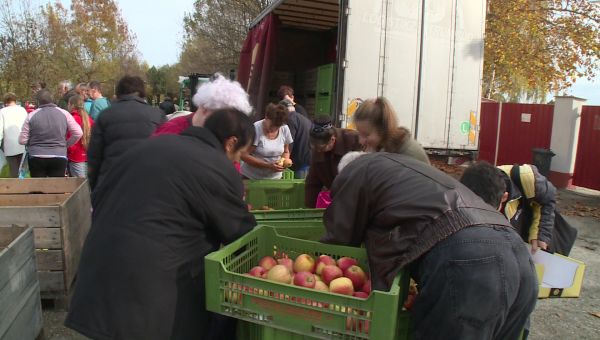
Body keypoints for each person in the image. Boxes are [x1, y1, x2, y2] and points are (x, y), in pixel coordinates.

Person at [65, 109, 257, 340]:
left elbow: (99, 194)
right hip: (150, 294)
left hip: (98, 279)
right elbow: (240, 231)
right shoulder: (216, 166)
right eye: (241, 154)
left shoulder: (147, 146)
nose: (238, 161)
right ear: (230, 143)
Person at [322, 152, 538, 339]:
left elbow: (339, 238)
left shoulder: (355, 172)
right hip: (519, 254)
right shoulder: (402, 168)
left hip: (470, 260)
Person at [460, 161, 575, 256]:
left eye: (490, 212)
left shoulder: (527, 177)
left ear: (504, 197)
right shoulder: (460, 195)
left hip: (526, 235)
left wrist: (541, 234)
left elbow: (548, 198)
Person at [87, 75, 166, 191]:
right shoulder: (158, 115)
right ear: (142, 92)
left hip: (112, 183)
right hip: (148, 183)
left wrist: (96, 189)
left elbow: (94, 157)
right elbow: (166, 152)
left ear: (119, 93)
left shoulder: (105, 116)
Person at [153, 74, 252, 136]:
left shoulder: (224, 137)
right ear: (205, 109)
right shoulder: (171, 131)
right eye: (221, 118)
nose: (225, 125)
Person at [18, 89, 83, 177]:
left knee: (38, 187)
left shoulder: (31, 115)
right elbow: (78, 133)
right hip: (59, 155)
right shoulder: (65, 113)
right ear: (52, 100)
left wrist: (32, 142)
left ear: (38, 102)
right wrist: (66, 144)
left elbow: (22, 140)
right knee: (56, 187)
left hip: (37, 156)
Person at [304, 116, 361, 207]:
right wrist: (309, 210)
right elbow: (312, 183)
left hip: (356, 198)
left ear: (332, 140)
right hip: (335, 199)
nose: (318, 151)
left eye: (321, 148)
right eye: (315, 148)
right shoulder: (317, 151)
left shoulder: (354, 140)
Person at [353, 97, 430, 164]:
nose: (361, 141)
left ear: (382, 130)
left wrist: (371, 158)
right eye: (359, 133)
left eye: (366, 135)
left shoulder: (404, 154)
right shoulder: (384, 146)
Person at [240, 103, 293, 179]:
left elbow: (286, 151)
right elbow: (243, 155)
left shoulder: (285, 129)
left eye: (277, 127)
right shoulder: (256, 129)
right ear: (266, 117)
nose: (274, 129)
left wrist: (284, 161)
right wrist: (267, 165)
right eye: (272, 126)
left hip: (275, 178)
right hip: (252, 177)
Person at [279, 99, 312, 179]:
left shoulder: (290, 119)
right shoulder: (303, 119)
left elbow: (289, 141)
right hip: (308, 160)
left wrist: (283, 161)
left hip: (300, 163)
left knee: (298, 189)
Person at [0, 93, 28, 177]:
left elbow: (0, 130)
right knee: (22, 171)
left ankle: (15, 188)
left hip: (10, 146)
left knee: (13, 170)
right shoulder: (22, 110)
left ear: (5, 101)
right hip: (23, 144)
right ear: (15, 100)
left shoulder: (2, 111)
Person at [66, 95, 94, 178]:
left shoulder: (73, 119)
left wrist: (69, 149)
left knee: (78, 186)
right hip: (87, 156)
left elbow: (69, 137)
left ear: (72, 105)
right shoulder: (88, 119)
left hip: (75, 156)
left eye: (68, 104)